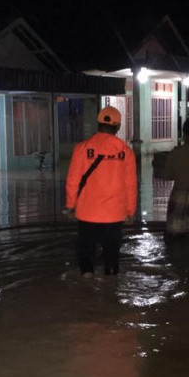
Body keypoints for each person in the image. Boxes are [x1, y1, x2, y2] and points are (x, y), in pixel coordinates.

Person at [65, 106, 137, 278]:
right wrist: (131, 211)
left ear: (98, 123)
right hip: (114, 214)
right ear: (118, 127)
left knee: (86, 252)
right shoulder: (125, 151)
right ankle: (111, 291)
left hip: (86, 212)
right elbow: (131, 185)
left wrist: (70, 205)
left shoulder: (82, 148)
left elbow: (72, 181)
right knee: (111, 254)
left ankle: (87, 284)